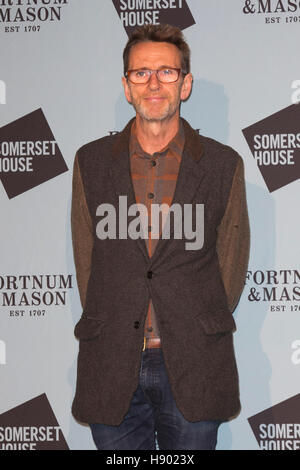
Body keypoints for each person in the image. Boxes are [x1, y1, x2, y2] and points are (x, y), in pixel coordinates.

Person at [71, 23, 250, 450]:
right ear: (126, 86)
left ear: (185, 84)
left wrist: (191, 319)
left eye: (167, 72)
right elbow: (87, 262)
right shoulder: (90, 163)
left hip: (195, 361)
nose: (154, 83)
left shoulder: (224, 165)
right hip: (111, 360)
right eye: (141, 73)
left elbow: (231, 262)